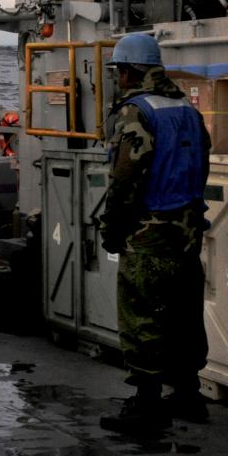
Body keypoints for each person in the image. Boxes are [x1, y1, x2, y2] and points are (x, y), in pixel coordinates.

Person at [98, 32, 210, 434]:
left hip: (149, 234)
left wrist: (112, 229)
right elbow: (201, 162)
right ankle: (187, 395)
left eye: (118, 71)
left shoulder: (136, 112)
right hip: (187, 232)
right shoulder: (188, 110)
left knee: (141, 315)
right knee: (184, 315)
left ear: (127, 71)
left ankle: (146, 405)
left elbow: (126, 178)